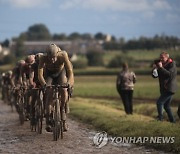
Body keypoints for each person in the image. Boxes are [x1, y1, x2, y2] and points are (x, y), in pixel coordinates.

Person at [38, 43, 74, 132]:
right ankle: (48, 119)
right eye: (50, 58)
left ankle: (62, 110)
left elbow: (70, 72)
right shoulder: (43, 58)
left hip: (60, 72)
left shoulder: (63, 55)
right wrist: (44, 84)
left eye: (54, 57)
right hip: (49, 74)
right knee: (49, 94)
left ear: (58, 54)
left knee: (63, 90)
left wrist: (69, 83)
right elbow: (40, 75)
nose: (52, 60)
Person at [152, 51, 177, 123]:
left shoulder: (172, 64)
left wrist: (160, 67)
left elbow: (169, 74)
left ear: (167, 57)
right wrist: (154, 70)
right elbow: (155, 76)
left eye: (162, 58)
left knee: (159, 103)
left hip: (170, 88)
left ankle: (160, 118)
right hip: (164, 88)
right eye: (160, 58)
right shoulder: (161, 65)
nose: (161, 59)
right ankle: (173, 121)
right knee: (166, 106)